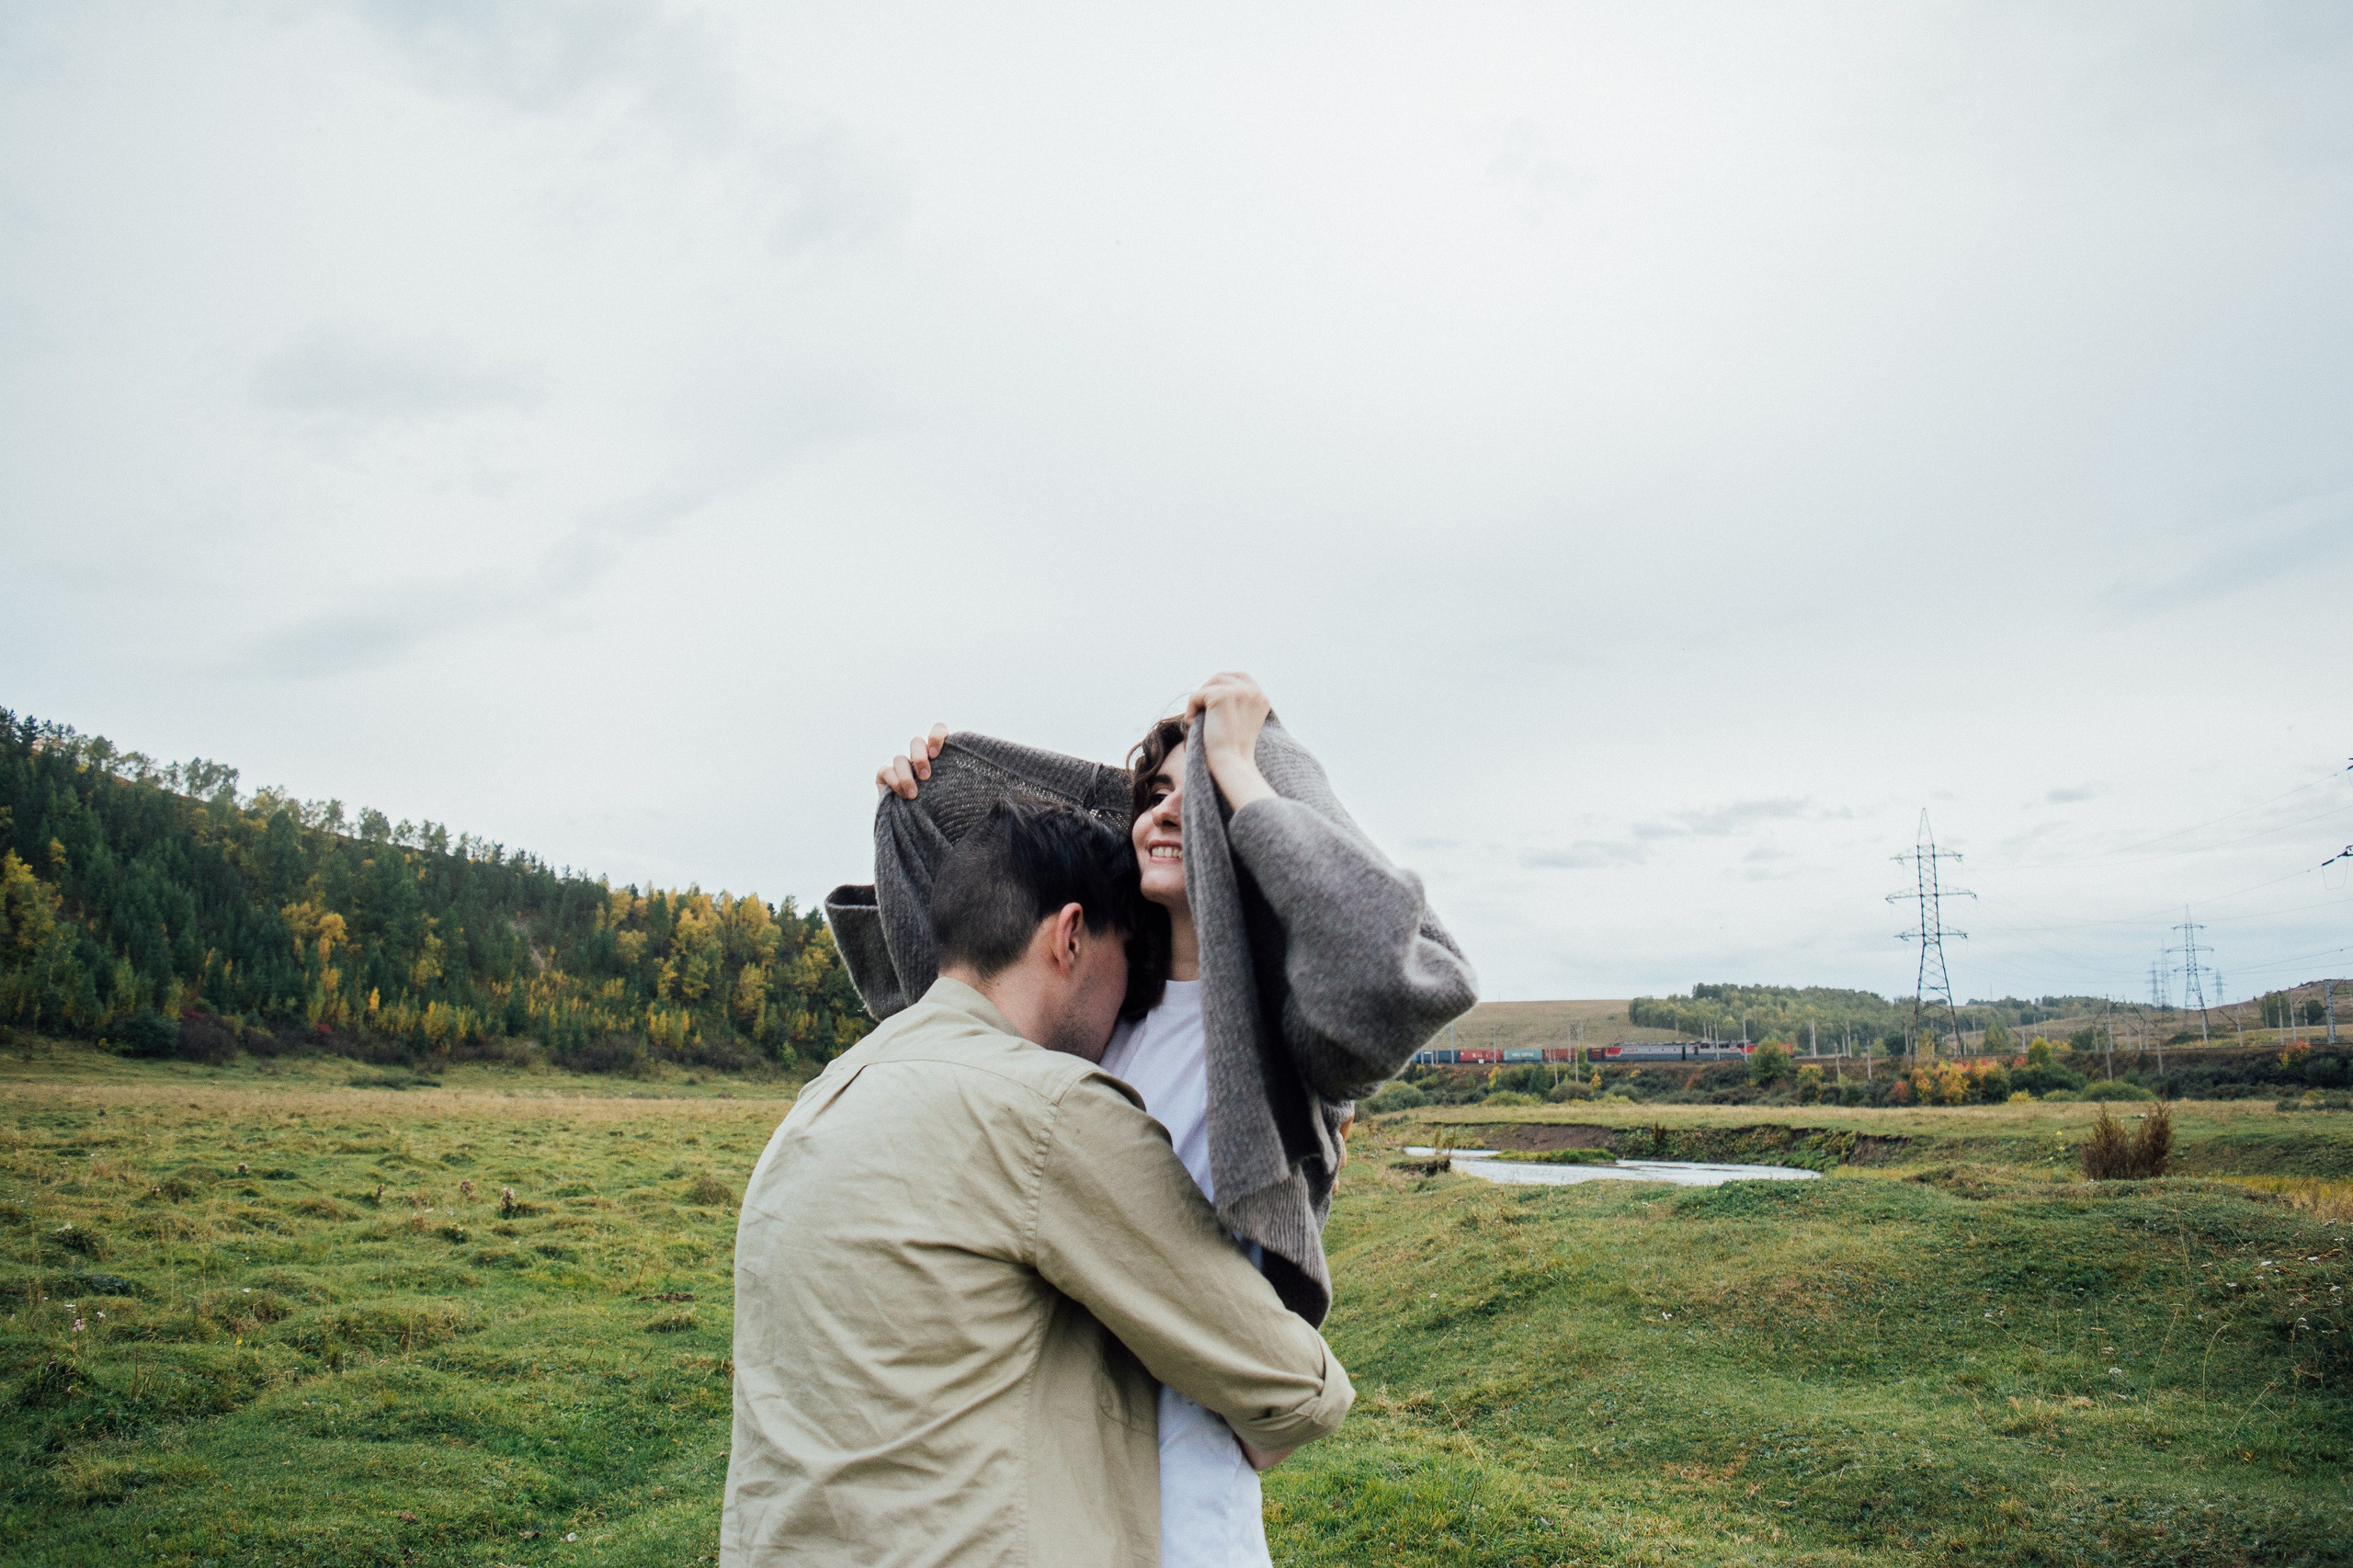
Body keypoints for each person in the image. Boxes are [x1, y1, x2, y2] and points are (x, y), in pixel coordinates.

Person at [832, 672, 1476, 1568]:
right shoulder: (1080, 1012)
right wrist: (919, 803)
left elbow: (1394, 973)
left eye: (1200, 797)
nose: (1167, 815)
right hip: (1037, 1479)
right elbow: (946, 995)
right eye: (1154, 795)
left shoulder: (1283, 1035)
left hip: (1188, 1492)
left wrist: (1247, 769)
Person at [723, 798, 1354, 1567]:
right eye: (1132, 962)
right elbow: (1286, 1385)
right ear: (1071, 937)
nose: (1131, 1005)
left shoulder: (821, 1099)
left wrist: (930, 788)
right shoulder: (1050, 1109)